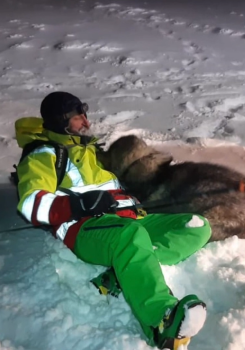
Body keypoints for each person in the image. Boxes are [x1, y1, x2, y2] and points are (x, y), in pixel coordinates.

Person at [14, 91, 211, 349]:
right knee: (130, 236)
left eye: (84, 114)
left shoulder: (86, 149)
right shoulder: (43, 154)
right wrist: (79, 203)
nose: (85, 122)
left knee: (196, 225)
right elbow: (30, 204)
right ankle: (161, 321)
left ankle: (124, 270)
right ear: (61, 121)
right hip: (86, 230)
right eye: (77, 118)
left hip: (127, 221)